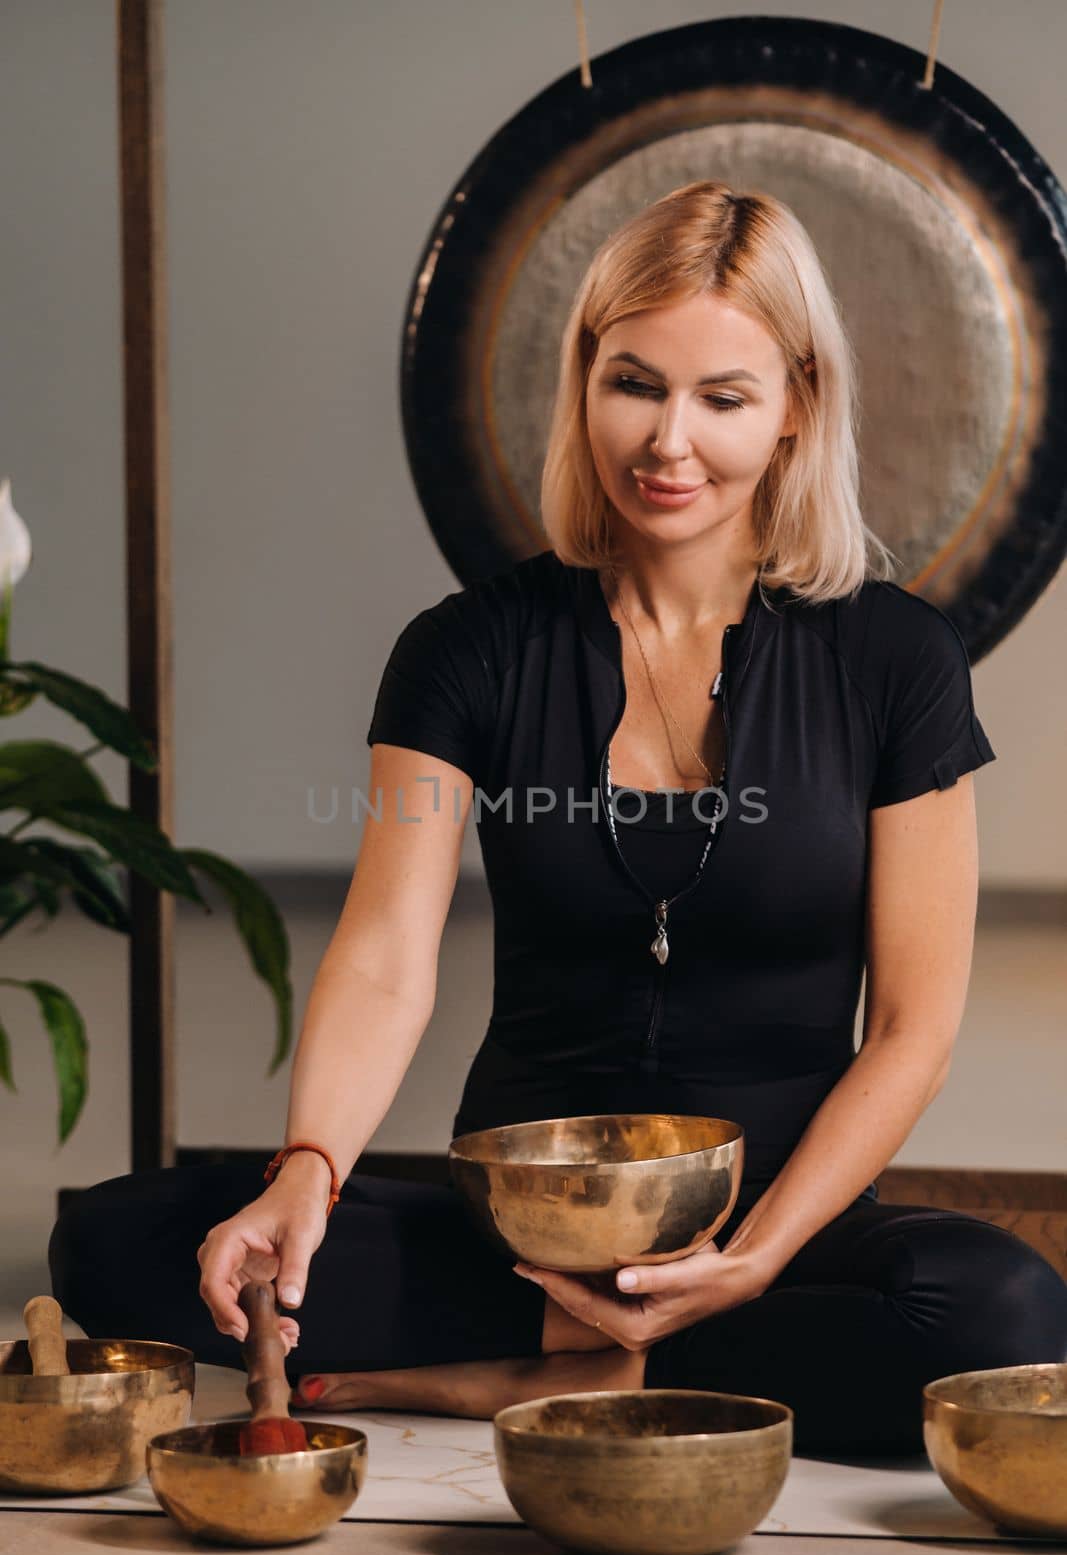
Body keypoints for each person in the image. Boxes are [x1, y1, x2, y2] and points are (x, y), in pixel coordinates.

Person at [49, 180, 1067, 1455]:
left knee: (1005, 1312)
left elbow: (913, 1027)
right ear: (582, 376)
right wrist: (306, 1166)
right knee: (119, 1237)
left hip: (780, 1225)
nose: (667, 443)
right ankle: (605, 1358)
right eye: (633, 383)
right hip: (515, 1230)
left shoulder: (894, 660)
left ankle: (533, 1376)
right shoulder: (465, 651)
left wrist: (749, 1257)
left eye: (723, 398)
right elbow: (383, 957)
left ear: (798, 404)